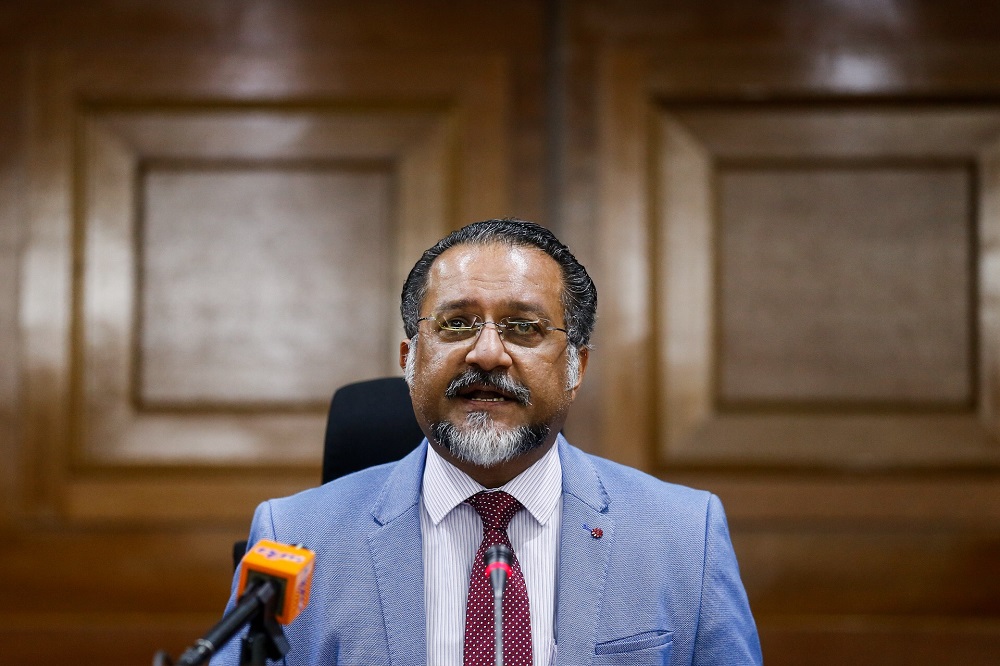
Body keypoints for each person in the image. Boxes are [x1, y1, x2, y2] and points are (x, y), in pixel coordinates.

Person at [211, 218, 762, 665]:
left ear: (576, 368)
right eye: (455, 324)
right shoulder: (297, 537)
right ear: (409, 362)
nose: (487, 353)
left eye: (524, 327)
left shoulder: (686, 535)